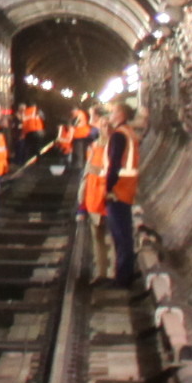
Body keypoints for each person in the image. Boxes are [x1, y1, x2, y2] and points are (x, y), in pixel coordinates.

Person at [81, 103, 143, 284]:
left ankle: (123, 278)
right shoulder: (129, 132)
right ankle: (125, 273)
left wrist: (107, 189)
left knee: (120, 235)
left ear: (121, 114)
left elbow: (114, 165)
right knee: (124, 233)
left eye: (114, 111)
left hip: (118, 191)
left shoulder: (119, 135)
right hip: (127, 188)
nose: (111, 114)